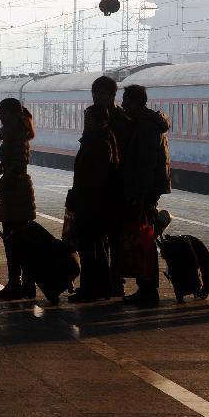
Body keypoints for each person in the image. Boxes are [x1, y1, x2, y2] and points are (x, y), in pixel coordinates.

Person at [118, 84, 171, 305]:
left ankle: (148, 289)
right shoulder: (146, 123)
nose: (123, 105)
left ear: (134, 102)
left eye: (125, 100)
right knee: (145, 241)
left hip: (144, 193)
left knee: (144, 242)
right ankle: (146, 287)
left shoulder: (146, 127)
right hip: (148, 191)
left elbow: (145, 165)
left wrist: (138, 194)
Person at [67, 105, 120, 302]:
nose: (86, 122)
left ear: (102, 121)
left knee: (90, 247)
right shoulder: (99, 140)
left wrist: (80, 197)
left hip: (92, 203)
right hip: (92, 201)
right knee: (95, 246)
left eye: (90, 119)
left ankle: (91, 288)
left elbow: (93, 176)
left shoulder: (98, 143)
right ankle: (100, 287)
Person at [0, 97, 36, 300]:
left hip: (17, 194)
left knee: (15, 240)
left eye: (3, 112)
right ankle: (22, 283)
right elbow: (12, 164)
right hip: (15, 192)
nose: (1, 116)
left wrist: (7, 177)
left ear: (13, 113)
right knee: (16, 239)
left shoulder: (16, 135)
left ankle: (19, 284)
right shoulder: (15, 133)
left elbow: (18, 164)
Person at [91, 75, 132, 297]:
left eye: (101, 94)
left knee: (115, 238)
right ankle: (103, 281)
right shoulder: (93, 115)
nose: (97, 98)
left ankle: (116, 281)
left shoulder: (121, 121)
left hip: (115, 187)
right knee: (99, 238)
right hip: (97, 188)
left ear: (112, 96)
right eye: (95, 94)